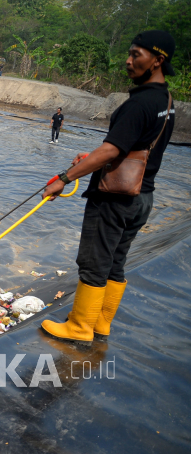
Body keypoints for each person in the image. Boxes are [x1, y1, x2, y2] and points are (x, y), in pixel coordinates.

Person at [41, 30, 176, 345]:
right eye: (129, 54)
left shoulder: (139, 103)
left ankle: (78, 327)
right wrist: (93, 158)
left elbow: (112, 150)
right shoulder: (166, 101)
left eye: (136, 55)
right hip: (143, 196)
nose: (128, 62)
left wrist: (64, 177)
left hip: (114, 199)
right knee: (115, 261)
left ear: (158, 60)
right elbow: (137, 147)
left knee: (94, 261)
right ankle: (101, 324)